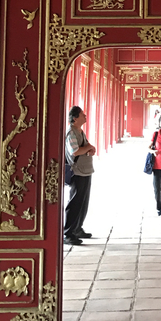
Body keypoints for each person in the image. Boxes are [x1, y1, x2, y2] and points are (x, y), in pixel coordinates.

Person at [63, 105, 96, 245]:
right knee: (75, 202)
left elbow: (87, 147)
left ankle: (77, 228)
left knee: (83, 201)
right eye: (83, 114)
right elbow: (75, 151)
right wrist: (88, 148)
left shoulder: (80, 131)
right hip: (77, 171)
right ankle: (68, 232)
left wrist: (89, 149)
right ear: (75, 118)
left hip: (86, 170)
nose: (85, 116)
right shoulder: (71, 133)